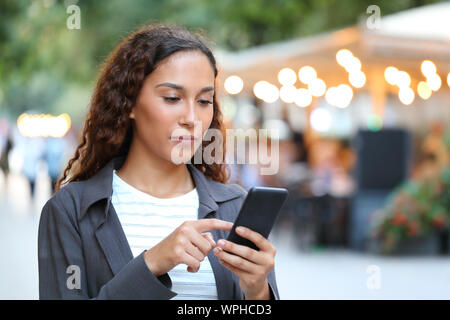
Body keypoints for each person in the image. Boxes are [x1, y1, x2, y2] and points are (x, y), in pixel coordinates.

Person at [38, 24, 279, 300]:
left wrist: (258, 291)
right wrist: (151, 264)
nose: (192, 118)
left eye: (204, 101)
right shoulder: (71, 212)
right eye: (173, 98)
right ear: (128, 104)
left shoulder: (234, 206)